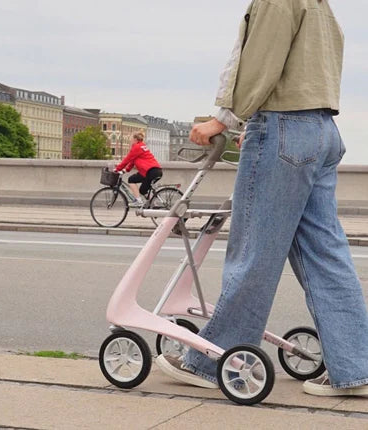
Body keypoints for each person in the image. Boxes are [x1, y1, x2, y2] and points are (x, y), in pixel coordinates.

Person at [156, 0, 368, 397]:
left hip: (283, 128)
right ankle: (358, 368)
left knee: (254, 253)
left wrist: (225, 118)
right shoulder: (322, 6)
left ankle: (212, 361)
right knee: (327, 254)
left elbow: (260, 61)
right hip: (322, 130)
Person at [114, 132, 162, 207]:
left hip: (150, 171)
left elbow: (127, 159)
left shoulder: (136, 147)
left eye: (131, 139)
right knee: (143, 190)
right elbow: (132, 161)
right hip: (155, 170)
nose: (130, 141)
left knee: (131, 179)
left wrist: (117, 169)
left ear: (135, 139)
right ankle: (153, 204)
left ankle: (138, 201)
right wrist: (125, 170)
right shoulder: (142, 146)